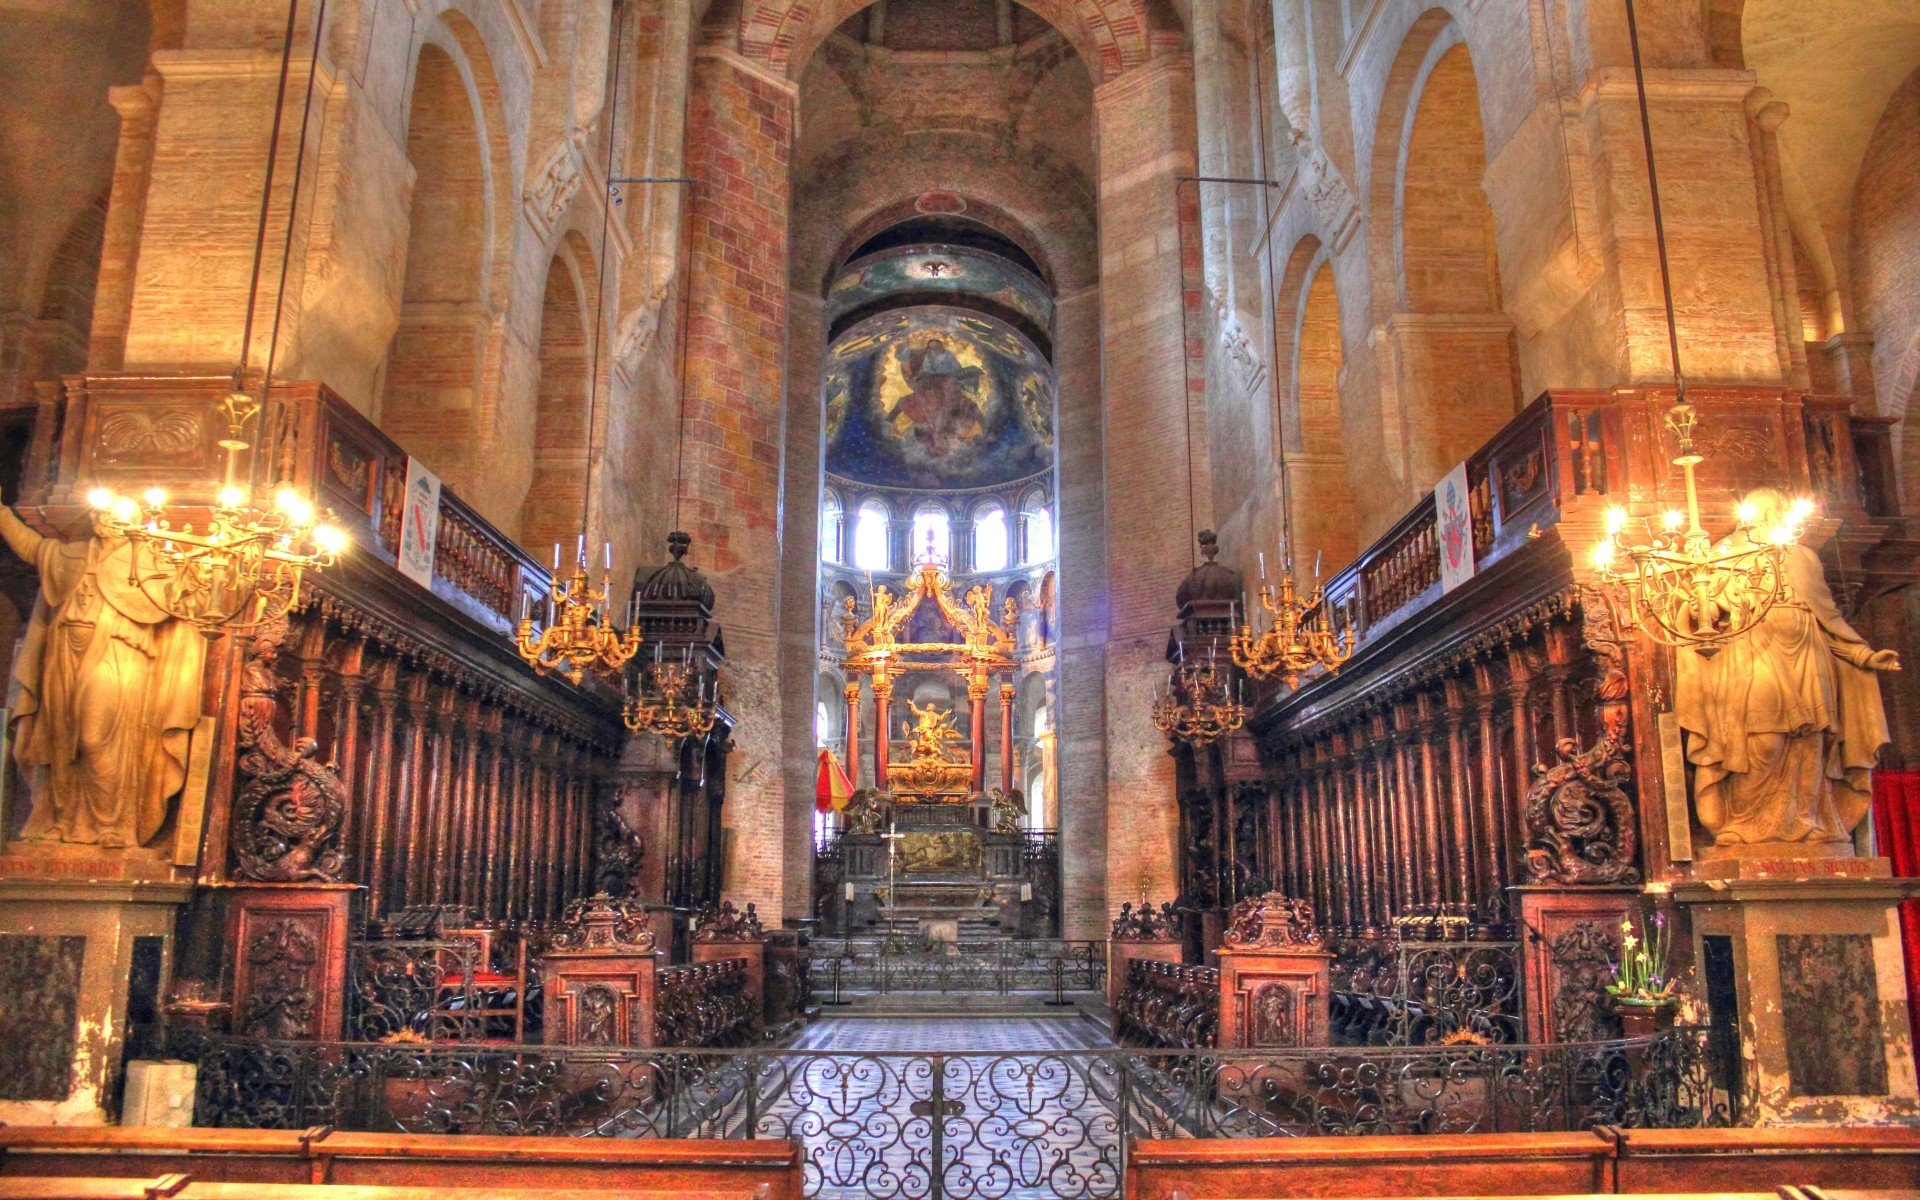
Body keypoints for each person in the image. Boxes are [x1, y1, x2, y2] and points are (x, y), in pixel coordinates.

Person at [1675, 488, 1899, 851]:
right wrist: (1706, 596)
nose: (1766, 519)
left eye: (1773, 512)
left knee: (1811, 740)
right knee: (1761, 739)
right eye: (1759, 512)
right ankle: (1744, 824)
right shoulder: (1727, 553)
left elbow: (1829, 618)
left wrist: (1864, 657)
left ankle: (1807, 821)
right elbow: (1706, 614)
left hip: (1810, 654)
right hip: (1753, 650)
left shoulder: (1804, 557)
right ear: (1745, 517)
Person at [0, 507, 205, 847]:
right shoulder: (71, 554)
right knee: (60, 738)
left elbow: (184, 598)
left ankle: (114, 823)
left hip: (117, 652)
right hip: (64, 654)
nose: (108, 518)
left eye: (119, 512)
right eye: (104, 511)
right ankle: (58, 820)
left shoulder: (150, 564)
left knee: (96, 738)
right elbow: (32, 547)